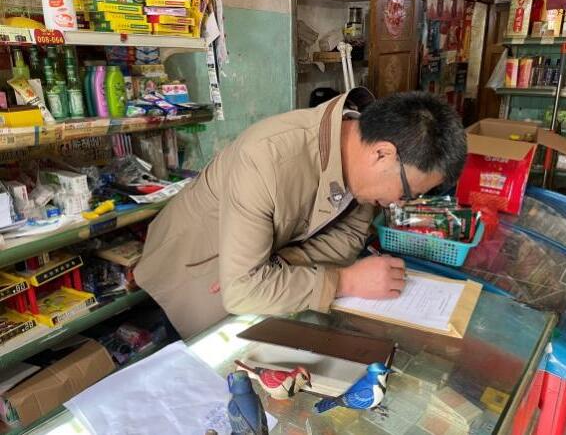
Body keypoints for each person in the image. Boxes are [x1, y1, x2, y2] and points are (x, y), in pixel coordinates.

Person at [134, 87, 467, 338]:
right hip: (190, 274)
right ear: (382, 154)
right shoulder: (266, 159)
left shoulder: (363, 171)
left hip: (251, 278)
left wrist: (279, 266)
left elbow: (347, 238)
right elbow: (243, 291)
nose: (398, 203)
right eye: (407, 192)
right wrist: (345, 280)